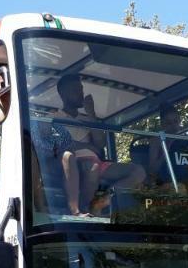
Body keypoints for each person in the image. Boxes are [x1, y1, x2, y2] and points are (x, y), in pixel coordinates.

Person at [54, 73, 143, 215]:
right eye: (75, 90)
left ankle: (101, 202)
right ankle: (82, 209)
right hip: (70, 162)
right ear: (62, 93)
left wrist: (91, 113)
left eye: (81, 89)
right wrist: (88, 147)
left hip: (95, 162)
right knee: (92, 166)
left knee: (138, 171)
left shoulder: (87, 118)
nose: (80, 93)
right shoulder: (53, 118)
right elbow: (59, 144)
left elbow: (100, 144)